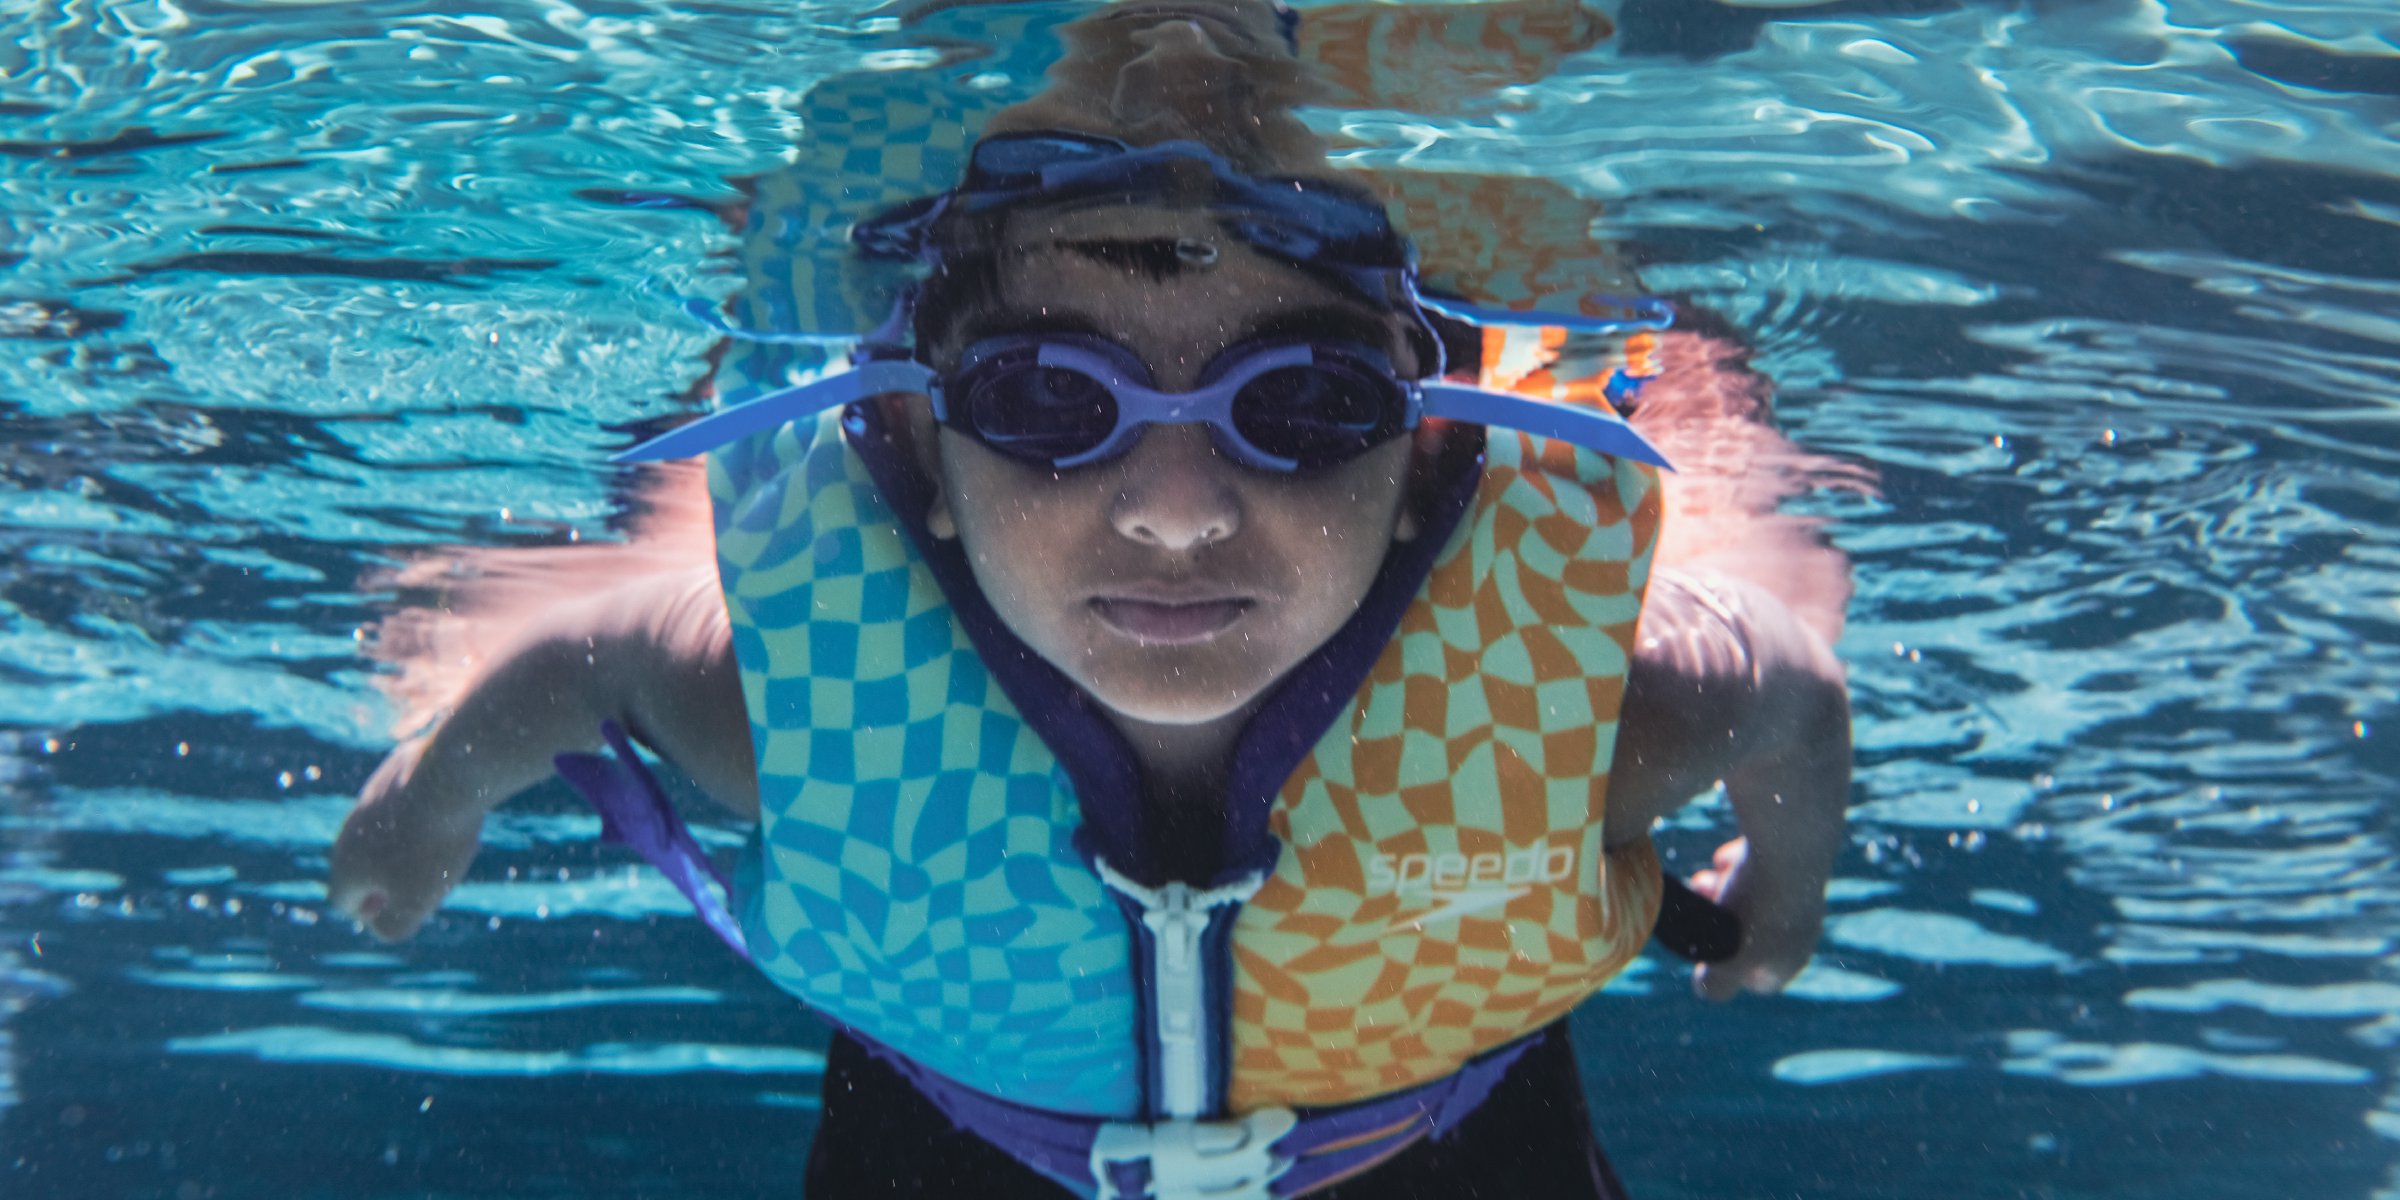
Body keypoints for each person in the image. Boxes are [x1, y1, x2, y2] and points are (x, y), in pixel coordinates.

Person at [329, 3, 1853, 1196]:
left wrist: (1783, 893)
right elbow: (577, 657)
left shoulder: (1573, 726)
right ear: (921, 452)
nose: (1177, 512)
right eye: (1050, 401)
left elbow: (1785, 685)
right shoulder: (805, 718)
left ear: (1424, 447)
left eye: (1309, 403)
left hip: (1453, 1146)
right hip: (951, 1144)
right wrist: (429, 792)